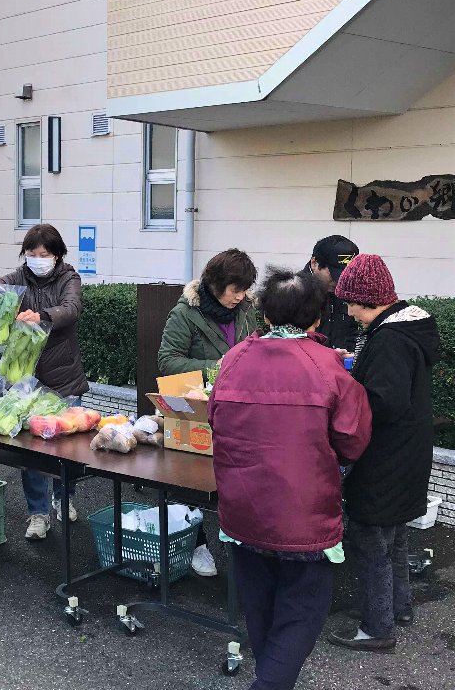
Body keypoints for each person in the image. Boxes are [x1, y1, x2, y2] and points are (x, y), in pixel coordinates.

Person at [209, 268, 371, 690]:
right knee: (301, 614)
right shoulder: (328, 367)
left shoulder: (234, 360)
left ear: (264, 315)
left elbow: (214, 419)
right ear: (317, 317)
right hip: (305, 516)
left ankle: (270, 680)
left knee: (260, 610)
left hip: (242, 511)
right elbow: (353, 440)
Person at [328, 254, 441, 653]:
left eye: (351, 303)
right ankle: (400, 607)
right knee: (394, 538)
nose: (349, 311)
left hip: (384, 458)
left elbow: (383, 403)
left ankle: (377, 628)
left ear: (367, 299)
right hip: (408, 453)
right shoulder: (406, 330)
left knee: (372, 541)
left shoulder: (389, 340)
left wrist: (348, 395)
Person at [0, 224, 89, 541]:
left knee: (66, 447)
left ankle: (63, 498)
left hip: (63, 375)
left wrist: (41, 315)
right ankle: (37, 513)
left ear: (57, 255)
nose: (37, 260)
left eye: (44, 255)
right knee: (33, 451)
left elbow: (72, 308)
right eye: (31, 254)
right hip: (26, 377)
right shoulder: (19, 277)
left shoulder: (69, 278)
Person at [157, 248, 260, 576]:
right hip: (198, 409)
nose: (241, 296)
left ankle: (236, 542)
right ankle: (195, 542)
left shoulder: (247, 309)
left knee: (236, 481)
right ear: (215, 284)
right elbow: (167, 360)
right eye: (235, 289)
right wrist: (214, 367)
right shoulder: (186, 312)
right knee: (188, 479)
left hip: (240, 411)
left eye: (245, 289)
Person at [303, 235, 360, 352]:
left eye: (346, 275)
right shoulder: (293, 293)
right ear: (314, 263)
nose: (339, 282)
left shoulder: (347, 287)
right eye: (334, 275)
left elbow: (353, 331)